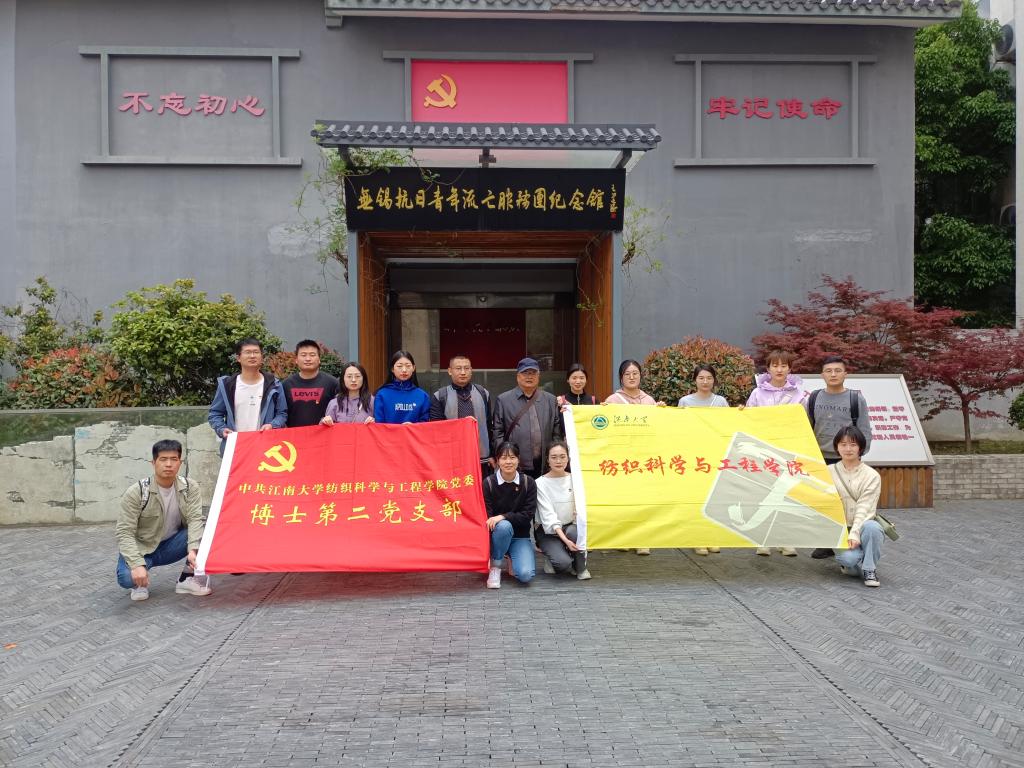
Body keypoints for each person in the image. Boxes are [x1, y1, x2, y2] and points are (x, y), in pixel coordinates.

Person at [115, 440, 211, 601]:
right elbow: (124, 532)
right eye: (163, 459)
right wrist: (136, 564)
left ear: (180, 462)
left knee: (208, 529)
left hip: (173, 545)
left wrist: (193, 549)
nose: (168, 464)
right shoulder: (137, 492)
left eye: (174, 459)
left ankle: (187, 578)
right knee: (126, 578)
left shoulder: (189, 487)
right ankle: (139, 583)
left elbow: (195, 519)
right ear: (153, 463)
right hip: (143, 548)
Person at [807, 355, 872, 558]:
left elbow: (864, 428)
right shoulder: (814, 398)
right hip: (820, 458)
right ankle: (826, 542)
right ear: (822, 375)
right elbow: (806, 426)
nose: (833, 374)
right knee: (824, 501)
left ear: (845, 373)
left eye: (837, 370)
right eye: (828, 371)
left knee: (846, 501)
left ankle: (849, 539)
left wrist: (859, 454)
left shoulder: (855, 398)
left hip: (846, 458)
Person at [744, 351, 805, 557]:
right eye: (775, 365)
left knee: (787, 494)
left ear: (790, 369)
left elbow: (803, 422)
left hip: (789, 450)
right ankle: (763, 540)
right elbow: (749, 420)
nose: (779, 369)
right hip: (764, 451)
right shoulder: (757, 393)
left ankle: (785, 540)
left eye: (784, 365)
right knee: (763, 493)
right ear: (768, 369)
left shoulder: (799, 394)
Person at [604, 359, 663, 555]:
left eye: (635, 373)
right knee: (623, 499)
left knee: (643, 499)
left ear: (640, 376)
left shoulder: (650, 401)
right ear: (621, 377)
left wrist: (662, 412)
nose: (631, 377)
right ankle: (624, 537)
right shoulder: (612, 400)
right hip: (621, 458)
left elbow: (657, 428)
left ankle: (642, 539)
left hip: (644, 458)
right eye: (627, 374)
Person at [675, 364, 725, 557]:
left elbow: (728, 427)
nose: (705, 382)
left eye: (709, 378)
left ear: (714, 380)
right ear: (695, 380)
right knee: (695, 498)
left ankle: (712, 536)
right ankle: (697, 538)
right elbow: (678, 428)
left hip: (714, 456)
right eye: (701, 378)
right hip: (692, 457)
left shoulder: (721, 402)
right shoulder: (685, 401)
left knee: (713, 497)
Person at [208, 337, 287, 454]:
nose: (252, 356)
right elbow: (215, 413)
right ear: (238, 358)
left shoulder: (274, 384)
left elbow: (282, 413)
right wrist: (221, 429)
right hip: (235, 448)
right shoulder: (227, 385)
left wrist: (272, 425)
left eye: (256, 352)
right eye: (248, 352)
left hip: (266, 448)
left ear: (262, 357)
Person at [828, 426, 884, 588]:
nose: (848, 449)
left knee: (873, 528)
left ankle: (869, 569)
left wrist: (855, 534)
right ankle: (851, 564)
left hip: (863, 524)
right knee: (849, 560)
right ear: (836, 447)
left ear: (861, 447)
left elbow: (865, 507)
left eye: (853, 444)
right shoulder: (828, 471)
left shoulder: (871, 475)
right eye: (843, 444)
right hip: (839, 528)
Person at [493, 357, 562, 479]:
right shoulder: (503, 400)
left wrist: (555, 456)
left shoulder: (550, 400)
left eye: (533, 373)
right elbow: (497, 432)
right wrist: (503, 457)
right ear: (518, 376)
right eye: (525, 373)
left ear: (538, 376)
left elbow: (556, 433)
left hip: (544, 463)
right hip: (515, 463)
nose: (529, 376)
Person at [483, 441, 537, 589]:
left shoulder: (528, 483)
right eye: (504, 458)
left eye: (512, 457)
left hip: (519, 536)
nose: (508, 462)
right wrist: (502, 521)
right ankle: (496, 566)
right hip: (497, 536)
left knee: (525, 575)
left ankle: (511, 556)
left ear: (518, 459)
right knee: (504, 527)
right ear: (497, 460)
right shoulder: (488, 483)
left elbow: (527, 515)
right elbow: (487, 516)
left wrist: (503, 516)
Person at [430, 354, 494, 477]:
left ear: (471, 370)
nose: (463, 372)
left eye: (466, 368)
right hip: (452, 459)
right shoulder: (440, 396)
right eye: (458, 368)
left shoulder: (483, 393)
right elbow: (436, 431)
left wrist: (492, 454)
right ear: (450, 371)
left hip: (481, 458)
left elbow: (489, 426)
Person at [535, 441, 590, 580]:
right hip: (549, 532)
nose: (558, 461)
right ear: (547, 459)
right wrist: (566, 541)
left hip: (571, 527)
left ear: (568, 458)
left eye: (562, 456)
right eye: (553, 457)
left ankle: (580, 567)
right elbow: (549, 516)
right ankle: (555, 556)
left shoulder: (576, 479)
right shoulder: (540, 483)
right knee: (562, 564)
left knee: (575, 532)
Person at [281, 339, 340, 427]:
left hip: (324, 433)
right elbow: (281, 414)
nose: (308, 359)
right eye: (303, 355)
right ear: (296, 359)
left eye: (312, 355)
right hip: (294, 434)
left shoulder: (332, 383)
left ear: (319, 359)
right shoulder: (286, 385)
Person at [373, 350, 431, 424]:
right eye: (399, 366)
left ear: (413, 368)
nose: (404, 370)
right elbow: (379, 424)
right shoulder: (382, 394)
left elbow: (425, 425)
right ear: (392, 369)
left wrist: (413, 427)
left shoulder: (423, 396)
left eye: (408, 366)